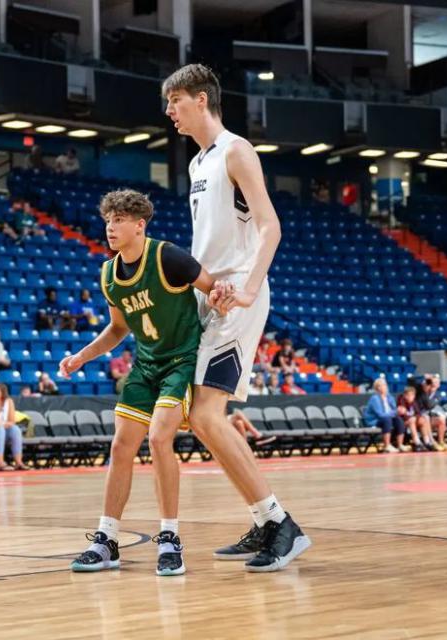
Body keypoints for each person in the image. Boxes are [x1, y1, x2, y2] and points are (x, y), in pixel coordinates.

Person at [164, 63, 310, 571]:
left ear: (201, 99)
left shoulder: (236, 150)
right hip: (211, 294)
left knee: (205, 416)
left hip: (236, 295)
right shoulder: (197, 163)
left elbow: (270, 226)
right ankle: (267, 521)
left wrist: (247, 289)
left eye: (175, 101)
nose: (169, 111)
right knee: (202, 420)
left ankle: (282, 525)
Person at [60, 189, 220, 577]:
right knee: (120, 445)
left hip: (180, 361)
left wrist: (223, 300)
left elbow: (213, 289)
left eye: (118, 220)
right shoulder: (108, 274)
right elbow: (118, 329)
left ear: (139, 225)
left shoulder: (168, 257)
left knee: (160, 438)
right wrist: (83, 356)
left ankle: (169, 538)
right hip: (145, 366)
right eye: (108, 220)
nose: (110, 227)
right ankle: (106, 540)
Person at [364, 378, 409, 453]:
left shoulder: (390, 397)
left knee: (399, 420)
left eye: (386, 385)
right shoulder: (375, 398)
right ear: (378, 387)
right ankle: (387, 446)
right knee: (387, 419)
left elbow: (394, 410)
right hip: (375, 421)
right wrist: (395, 412)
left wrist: (399, 411)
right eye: (384, 385)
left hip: (387, 419)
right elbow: (380, 415)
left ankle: (400, 445)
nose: (386, 387)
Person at [417, 375, 447, 451]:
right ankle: (432, 442)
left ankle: (441, 441)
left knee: (441, 419)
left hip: (431, 417)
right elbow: (413, 382)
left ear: (438, 385)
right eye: (433, 382)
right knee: (426, 417)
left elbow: (430, 406)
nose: (434, 384)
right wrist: (424, 377)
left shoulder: (438, 396)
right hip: (420, 417)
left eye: (436, 383)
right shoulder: (422, 391)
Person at [396, 385, 434, 452]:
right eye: (408, 395)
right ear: (405, 395)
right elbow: (403, 414)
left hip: (413, 421)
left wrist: (417, 418)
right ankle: (417, 443)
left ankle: (427, 442)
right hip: (403, 421)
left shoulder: (414, 402)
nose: (410, 397)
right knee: (412, 420)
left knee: (423, 420)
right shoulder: (401, 400)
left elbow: (418, 413)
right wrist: (413, 417)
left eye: (412, 395)